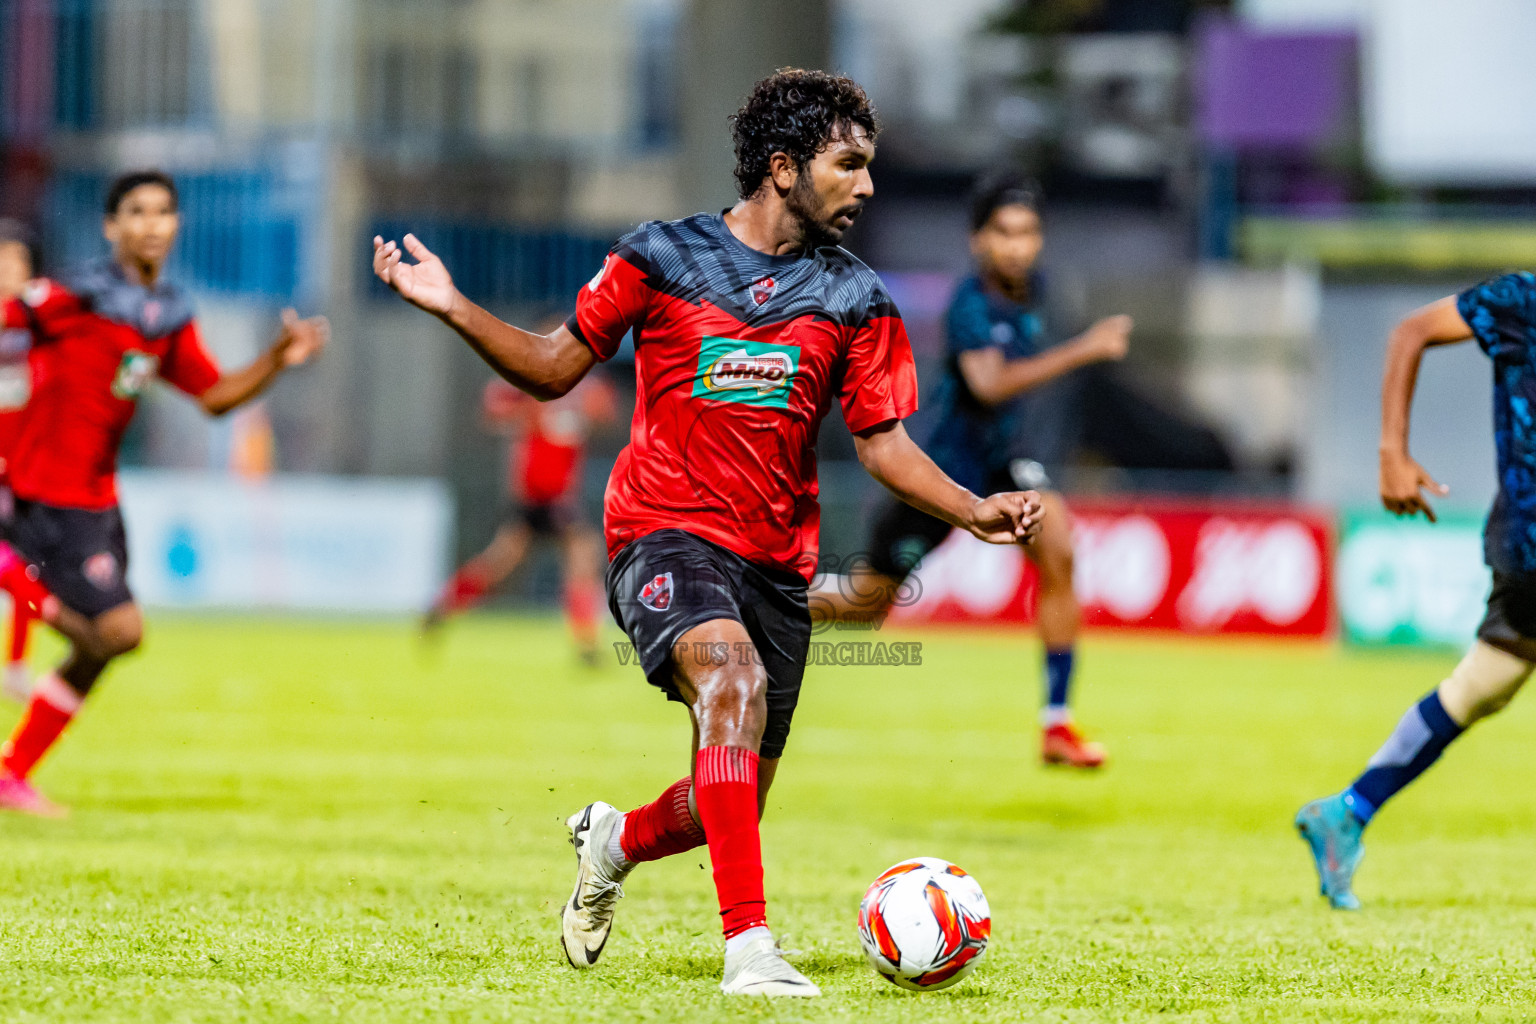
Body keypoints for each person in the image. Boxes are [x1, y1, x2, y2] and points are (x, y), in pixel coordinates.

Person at [373, 69, 1042, 997]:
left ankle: (613, 840)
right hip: (660, 532)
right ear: (783, 167)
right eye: (849, 165)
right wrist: (453, 305)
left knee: (723, 804)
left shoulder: (859, 299)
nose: (868, 186)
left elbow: (884, 446)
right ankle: (750, 951)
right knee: (733, 679)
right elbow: (553, 367)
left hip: (773, 563)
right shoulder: (661, 257)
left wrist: (972, 508)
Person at [0, 170, 329, 816]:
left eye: (163, 212)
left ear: (177, 225)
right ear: (111, 227)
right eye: (136, 212)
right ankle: (11, 570)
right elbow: (13, 312)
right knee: (118, 630)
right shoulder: (76, 296)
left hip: (99, 501)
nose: (151, 224)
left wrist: (274, 358)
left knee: (105, 643)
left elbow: (213, 396)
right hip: (48, 497)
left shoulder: (164, 316)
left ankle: (11, 774)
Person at [810, 171, 1131, 768]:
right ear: (977, 240)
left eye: (1028, 232)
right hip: (940, 475)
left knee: (1057, 543)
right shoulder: (969, 304)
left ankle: (1056, 723)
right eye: (1004, 232)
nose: (1018, 246)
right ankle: (754, 599)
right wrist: (1082, 349)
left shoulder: (1034, 294)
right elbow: (988, 385)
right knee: (866, 606)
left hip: (1004, 466)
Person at [1297, 272, 1536, 910]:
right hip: (1531, 540)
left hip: (1521, 545)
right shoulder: (1521, 301)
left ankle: (1348, 809)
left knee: (1491, 678)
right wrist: (1391, 452)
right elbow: (1413, 330)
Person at [424, 350, 616, 664]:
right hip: (546, 498)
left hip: (543, 499)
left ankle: (442, 607)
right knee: (582, 558)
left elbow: (602, 412)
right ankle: (586, 646)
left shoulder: (571, 394)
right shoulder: (539, 393)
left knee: (500, 566)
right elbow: (496, 408)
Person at [0, 219, 44, 702]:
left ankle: (15, 663)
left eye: (15, 264)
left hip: (27, 470)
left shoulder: (41, 330)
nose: (7, 273)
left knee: (27, 571)